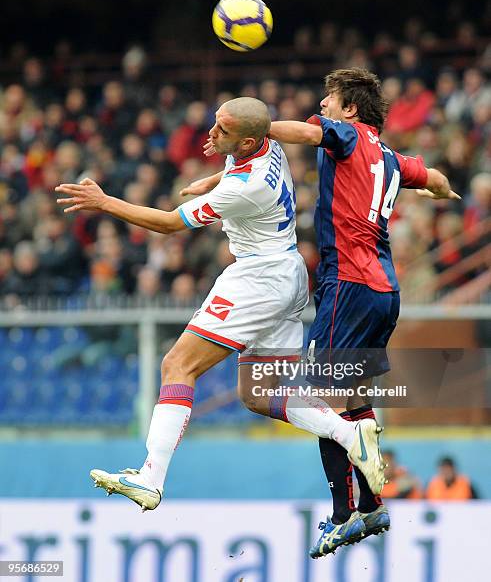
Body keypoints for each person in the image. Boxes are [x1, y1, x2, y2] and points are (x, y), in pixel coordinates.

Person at [55, 97, 386, 515]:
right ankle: (348, 433)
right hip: (286, 272)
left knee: (178, 366)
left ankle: (150, 477)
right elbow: (240, 161)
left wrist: (106, 203)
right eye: (214, 123)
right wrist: (212, 179)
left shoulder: (245, 187)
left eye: (223, 131)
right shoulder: (265, 147)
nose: (211, 134)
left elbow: (170, 224)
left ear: (249, 141)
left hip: (257, 279)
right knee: (260, 395)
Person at [201, 69, 460, 557]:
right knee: (356, 397)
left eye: (329, 100)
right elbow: (436, 178)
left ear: (350, 110)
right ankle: (373, 504)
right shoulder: (392, 157)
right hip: (385, 290)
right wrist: (444, 193)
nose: (321, 106)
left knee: (319, 401)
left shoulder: (345, 134)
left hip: (347, 284)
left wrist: (255, 126)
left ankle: (343, 516)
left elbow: (305, 132)